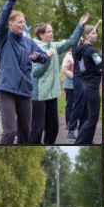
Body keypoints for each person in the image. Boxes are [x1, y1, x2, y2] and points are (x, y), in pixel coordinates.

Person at [0, 0, 51, 144]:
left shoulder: (29, 42)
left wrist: (38, 56)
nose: (22, 24)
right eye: (19, 22)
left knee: (26, 131)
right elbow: (2, 18)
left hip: (25, 90)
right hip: (7, 89)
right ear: (10, 24)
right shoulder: (5, 38)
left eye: (24, 22)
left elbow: (45, 56)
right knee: (10, 131)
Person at [29, 14, 88, 144]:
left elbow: (71, 41)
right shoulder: (33, 48)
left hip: (52, 95)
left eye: (52, 31)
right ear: (41, 35)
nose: (51, 33)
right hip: (39, 95)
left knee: (53, 129)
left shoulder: (54, 46)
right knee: (37, 130)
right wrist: (47, 58)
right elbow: (36, 72)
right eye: (48, 31)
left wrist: (80, 25)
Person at [73, 20, 103, 144]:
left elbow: (85, 68)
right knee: (92, 117)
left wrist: (96, 25)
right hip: (92, 86)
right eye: (94, 33)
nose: (96, 35)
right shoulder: (91, 51)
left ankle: (88, 141)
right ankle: (79, 141)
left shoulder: (80, 50)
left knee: (91, 116)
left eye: (96, 33)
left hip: (85, 84)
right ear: (87, 36)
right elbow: (100, 64)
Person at [62, 50, 75, 130]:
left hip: (79, 84)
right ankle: (68, 122)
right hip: (69, 85)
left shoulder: (80, 54)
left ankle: (74, 122)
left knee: (77, 104)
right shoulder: (68, 57)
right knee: (70, 104)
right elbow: (64, 70)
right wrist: (73, 75)